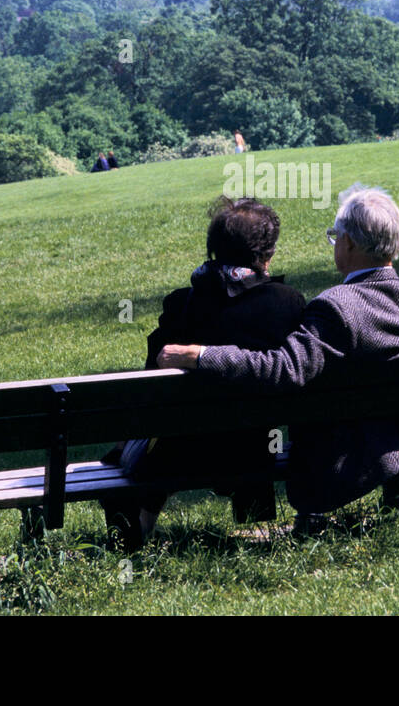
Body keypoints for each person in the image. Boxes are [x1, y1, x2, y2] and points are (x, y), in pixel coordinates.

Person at [158, 184, 399, 535]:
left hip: (354, 455)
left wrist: (204, 355)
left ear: (348, 243)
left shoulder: (336, 308)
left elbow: (283, 369)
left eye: (336, 237)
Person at [103, 197, 306, 544]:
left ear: (213, 250)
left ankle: (132, 536)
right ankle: (256, 518)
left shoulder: (180, 306)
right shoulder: (288, 304)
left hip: (178, 455)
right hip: (256, 449)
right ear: (266, 255)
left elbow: (151, 386)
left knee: (140, 447)